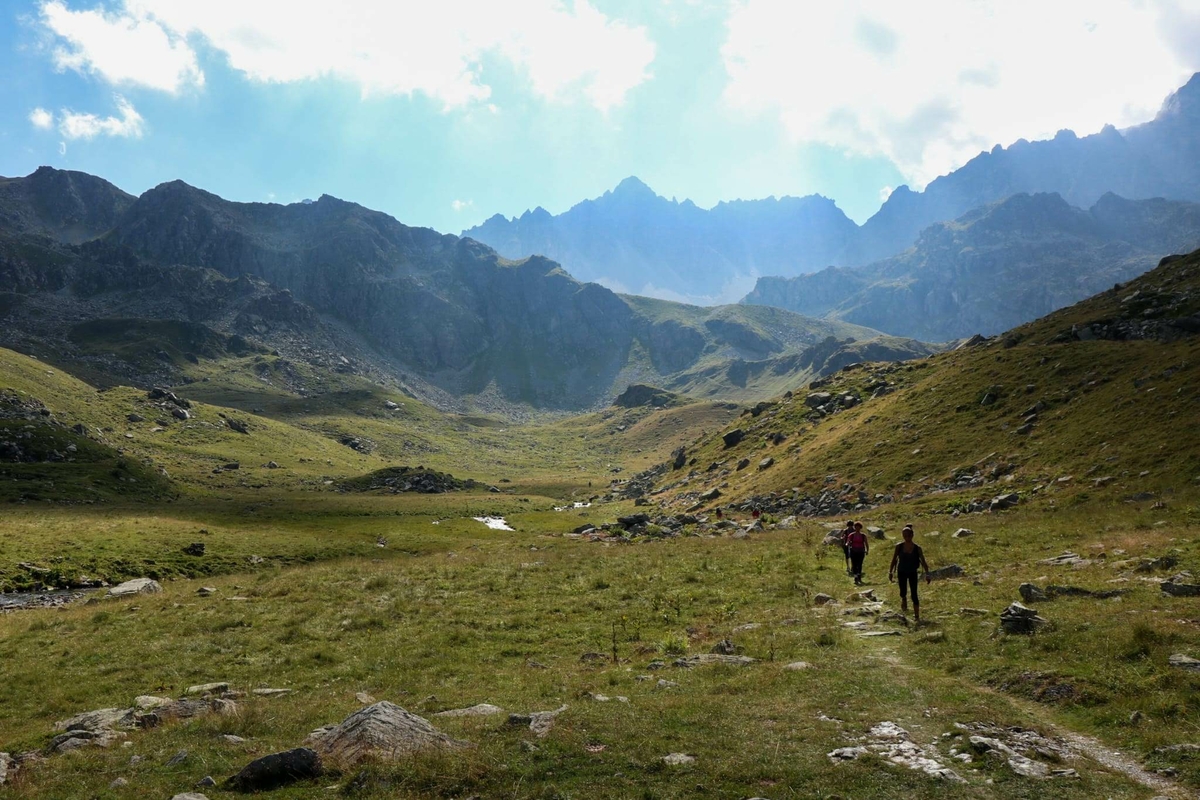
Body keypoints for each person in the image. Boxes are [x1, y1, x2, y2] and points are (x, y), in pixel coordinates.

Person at [888, 524, 931, 623]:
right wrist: (890, 572)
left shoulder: (917, 548)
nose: (907, 537)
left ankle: (916, 616)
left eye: (908, 535)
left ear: (912, 535)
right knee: (903, 592)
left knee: (914, 594)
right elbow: (894, 560)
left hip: (912, 572)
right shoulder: (899, 547)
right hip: (901, 572)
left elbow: (923, 561)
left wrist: (928, 574)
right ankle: (904, 600)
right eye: (905, 535)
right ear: (902, 535)